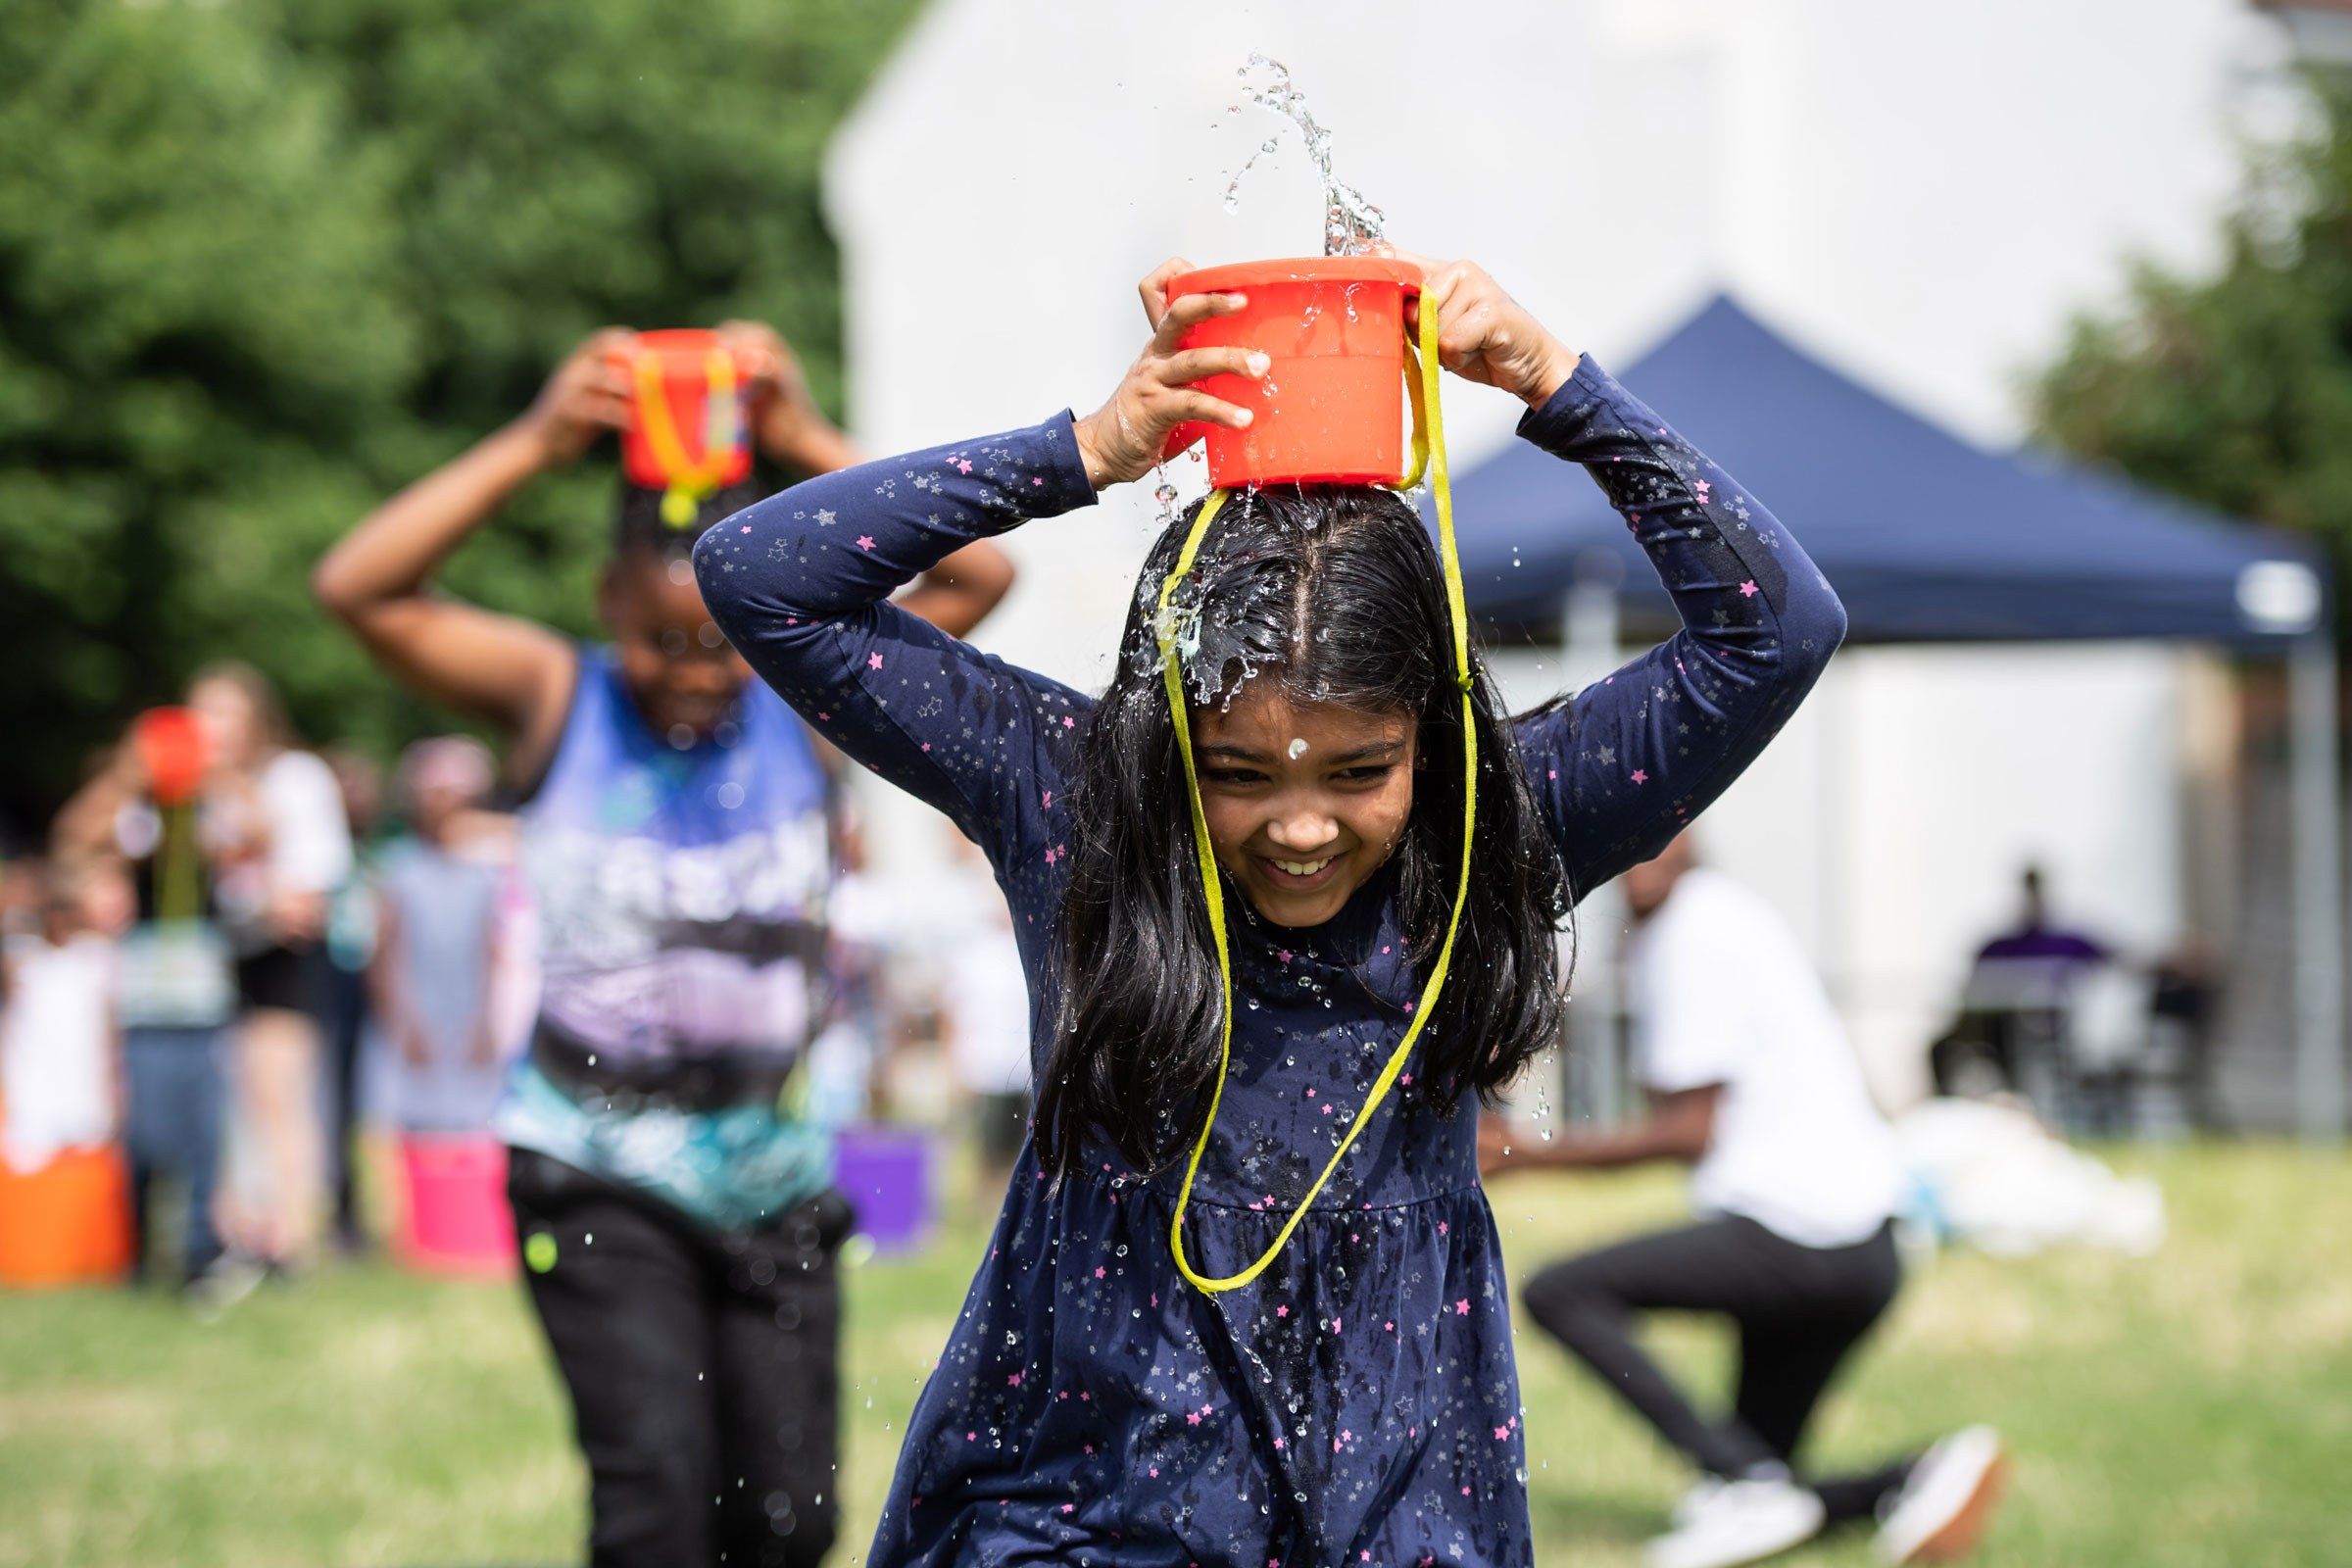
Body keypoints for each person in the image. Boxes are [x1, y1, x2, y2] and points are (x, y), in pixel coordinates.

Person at [693, 255, 1841, 1568]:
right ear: (1166, 738)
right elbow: (756, 574)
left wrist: (1561, 390)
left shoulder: (1497, 826)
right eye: (1237, 774)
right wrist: (1083, 452)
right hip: (1080, 1505)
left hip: (1391, 1511)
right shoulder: (1076, 800)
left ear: (1434, 735)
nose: (1302, 828)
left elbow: (1778, 630)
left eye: (1361, 772)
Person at [313, 320, 1012, 1568]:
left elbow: (979, 577)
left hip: (774, 1179)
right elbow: (359, 589)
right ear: (604, 603)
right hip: (594, 1170)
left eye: (722, 642)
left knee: (786, 1521)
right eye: (660, 640)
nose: (696, 673)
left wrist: (796, 435)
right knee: (658, 1503)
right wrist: (536, 442)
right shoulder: (554, 696)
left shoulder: (804, 702)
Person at [1486, 833, 2006, 1568]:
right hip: (1860, 1243)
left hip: (1806, 1235)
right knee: (1759, 1489)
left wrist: (1527, 1156)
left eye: (1654, 841)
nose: (1634, 862)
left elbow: (1688, 1131)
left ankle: (1756, 1483)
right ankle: (1915, 1476)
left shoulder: (1692, 932)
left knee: (1561, 1292)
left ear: (1689, 834)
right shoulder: (1722, 918)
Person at [53, 733, 241, 1294]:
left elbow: (259, 830)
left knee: (204, 1137)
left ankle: (199, 1253)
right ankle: (135, 1251)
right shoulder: (129, 820)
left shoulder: (212, 814)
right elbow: (73, 833)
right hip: (146, 1004)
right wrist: (131, 775)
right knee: (145, 1137)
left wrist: (211, 772)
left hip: (204, 1004)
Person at [191, 662, 355, 1273]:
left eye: (225, 714)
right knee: (235, 1104)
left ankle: (292, 1240)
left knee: (280, 1096)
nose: (213, 729)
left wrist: (266, 898)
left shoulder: (293, 776)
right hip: (223, 957)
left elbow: (305, 895)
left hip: (284, 961)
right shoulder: (197, 791)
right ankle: (245, 1230)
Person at [369, 738, 507, 1133]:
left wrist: (486, 1022)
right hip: (413, 1014)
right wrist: (403, 1021)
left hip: (468, 1014)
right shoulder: (399, 864)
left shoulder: (490, 868)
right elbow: (383, 953)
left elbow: (493, 950)